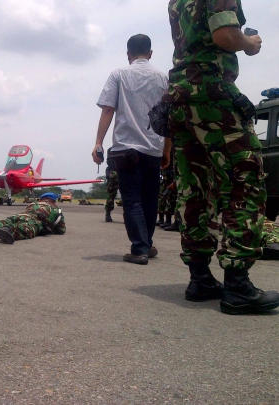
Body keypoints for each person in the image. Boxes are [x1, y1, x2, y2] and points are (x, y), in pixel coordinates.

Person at [164, 0, 279, 314]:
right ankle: (238, 283)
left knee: (194, 188)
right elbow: (225, 36)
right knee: (246, 182)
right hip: (212, 94)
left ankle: (200, 278)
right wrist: (249, 43)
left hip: (180, 97)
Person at [92, 34, 169, 265]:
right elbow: (169, 118)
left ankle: (140, 248)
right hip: (154, 148)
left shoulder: (119, 74)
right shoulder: (163, 78)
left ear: (128, 55)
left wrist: (98, 142)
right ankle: (147, 243)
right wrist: (168, 150)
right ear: (151, 53)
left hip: (127, 149)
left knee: (132, 199)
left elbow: (108, 110)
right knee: (149, 199)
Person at [104, 149, 120, 222]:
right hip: (122, 173)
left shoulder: (110, 150)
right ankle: (127, 217)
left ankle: (107, 215)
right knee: (127, 196)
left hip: (112, 174)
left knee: (110, 196)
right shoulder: (123, 148)